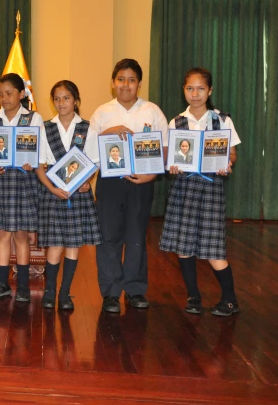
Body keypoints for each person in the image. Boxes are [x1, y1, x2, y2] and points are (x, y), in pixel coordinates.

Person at [160, 67, 241, 316]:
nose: (195, 94)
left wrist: (227, 163)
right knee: (184, 246)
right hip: (184, 188)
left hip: (211, 188)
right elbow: (168, 155)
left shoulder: (222, 120)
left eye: (200, 88)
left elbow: (232, 152)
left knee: (214, 248)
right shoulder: (176, 121)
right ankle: (193, 296)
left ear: (210, 91)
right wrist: (170, 166)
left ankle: (230, 300)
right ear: (183, 90)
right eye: (189, 88)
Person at [90, 59, 168, 313]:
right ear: (113, 83)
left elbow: (165, 149)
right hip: (110, 182)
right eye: (121, 79)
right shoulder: (102, 113)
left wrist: (152, 175)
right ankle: (111, 292)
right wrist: (107, 132)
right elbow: (90, 152)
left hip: (141, 183)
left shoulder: (152, 111)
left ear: (139, 84)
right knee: (109, 237)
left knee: (136, 236)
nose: (126, 84)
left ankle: (135, 289)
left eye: (131, 79)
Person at [35, 80, 102, 310]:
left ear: (76, 100)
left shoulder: (87, 127)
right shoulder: (46, 127)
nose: (61, 103)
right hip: (53, 192)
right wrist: (52, 189)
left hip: (78, 194)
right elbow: (38, 165)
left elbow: (95, 162)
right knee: (55, 244)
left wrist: (87, 182)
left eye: (66, 98)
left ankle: (65, 294)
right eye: (57, 98)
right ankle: (50, 290)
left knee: (73, 245)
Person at [0, 73, 40, 302]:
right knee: (2, 234)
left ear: (21, 94)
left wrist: (31, 163)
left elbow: (37, 153)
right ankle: (2, 283)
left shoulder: (33, 118)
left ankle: (23, 286)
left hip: (23, 182)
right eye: (1, 94)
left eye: (9, 93)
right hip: (1, 180)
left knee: (21, 235)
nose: (4, 98)